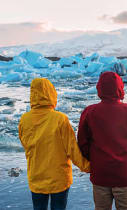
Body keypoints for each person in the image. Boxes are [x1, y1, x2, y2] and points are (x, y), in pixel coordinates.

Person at [78, 71, 127, 210]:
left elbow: (82, 142)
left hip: (100, 174)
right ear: (120, 88)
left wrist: (93, 160)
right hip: (125, 175)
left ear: (99, 88)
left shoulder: (89, 112)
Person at [18, 78, 90, 210]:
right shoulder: (60, 119)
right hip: (59, 180)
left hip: (36, 178)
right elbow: (72, 149)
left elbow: (25, 144)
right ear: (51, 93)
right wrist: (87, 167)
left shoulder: (24, 120)